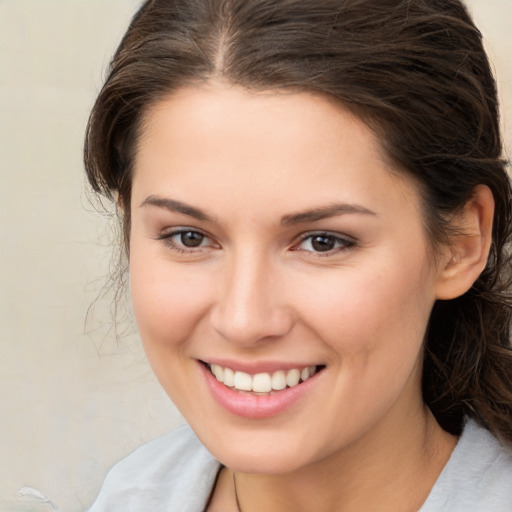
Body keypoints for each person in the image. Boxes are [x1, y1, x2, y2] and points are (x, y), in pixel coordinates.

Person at [84, 0, 512, 510]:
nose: (244, 321)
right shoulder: (129, 496)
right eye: (189, 237)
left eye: (322, 241)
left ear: (461, 244)